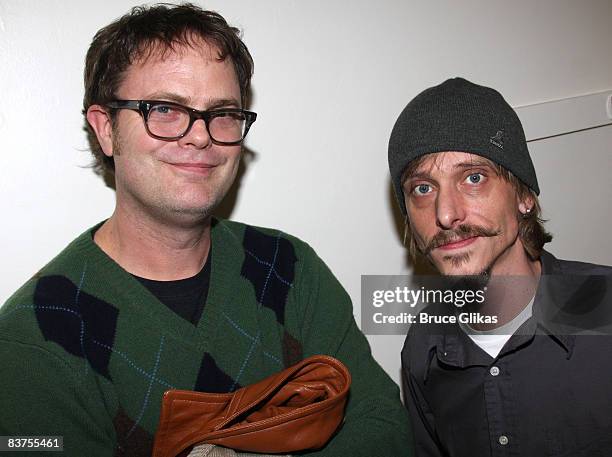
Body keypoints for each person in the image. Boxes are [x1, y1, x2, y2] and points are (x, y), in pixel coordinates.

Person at [0, 4, 411, 456]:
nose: (200, 136)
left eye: (222, 113)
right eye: (165, 109)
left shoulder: (288, 268)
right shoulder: (35, 334)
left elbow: (384, 425)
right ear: (106, 130)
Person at [388, 77, 612, 456]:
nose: (446, 214)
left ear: (524, 195)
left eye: (473, 178)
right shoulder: (423, 349)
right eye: (423, 188)